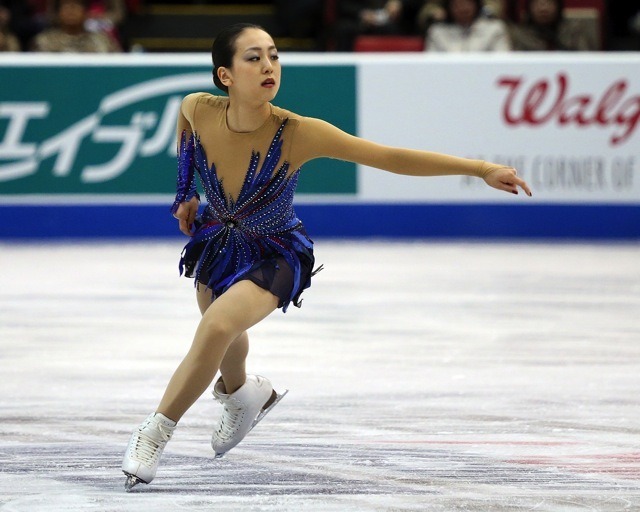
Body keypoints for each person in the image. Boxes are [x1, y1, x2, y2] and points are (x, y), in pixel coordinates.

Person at [121, 23, 532, 491]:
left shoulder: (298, 132)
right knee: (223, 335)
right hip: (217, 242)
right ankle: (243, 394)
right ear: (226, 74)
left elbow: (389, 157)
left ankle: (154, 432)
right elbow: (186, 126)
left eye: (274, 56)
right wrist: (184, 193)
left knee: (216, 326)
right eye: (253, 58)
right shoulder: (198, 106)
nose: (268, 66)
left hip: (274, 253)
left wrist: (480, 168)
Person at [32, 0, 120, 52]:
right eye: (66, 5)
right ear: (58, 13)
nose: (71, 10)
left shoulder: (103, 41)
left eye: (76, 5)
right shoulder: (44, 42)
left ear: (86, 12)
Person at [426, 0, 511, 52]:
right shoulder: (437, 32)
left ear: (476, 5)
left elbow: (502, 60)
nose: (463, 8)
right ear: (449, 7)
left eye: (467, 3)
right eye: (457, 4)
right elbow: (432, 65)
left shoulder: (495, 29)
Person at [508, 0, 594, 51]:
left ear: (558, 6)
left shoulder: (574, 31)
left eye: (549, 2)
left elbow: (586, 60)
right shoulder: (519, 36)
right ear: (529, 8)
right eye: (538, 3)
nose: (543, 9)